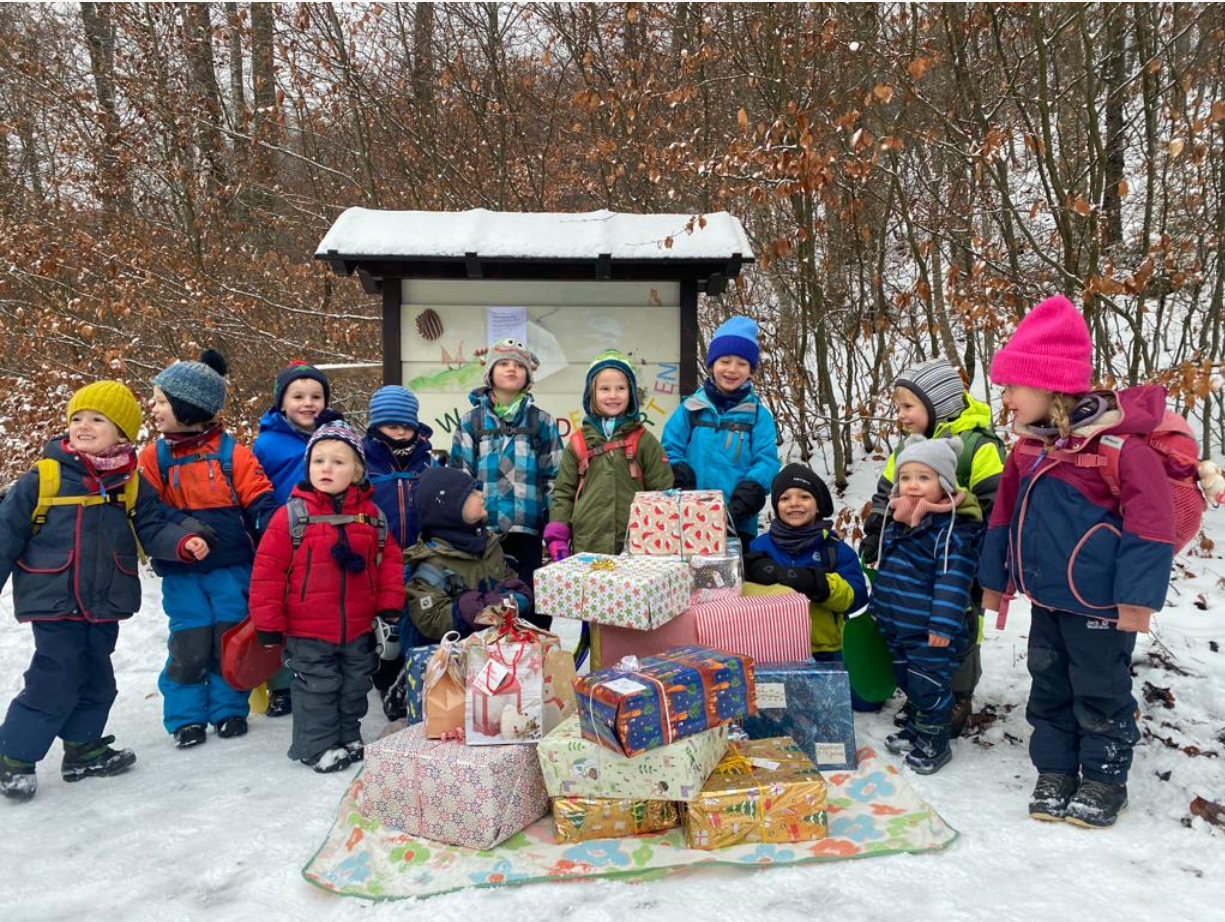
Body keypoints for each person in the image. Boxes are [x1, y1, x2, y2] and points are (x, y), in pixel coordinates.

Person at [978, 294, 1176, 828]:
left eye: (1014, 387)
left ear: (1050, 385)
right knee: (1049, 683)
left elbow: (1151, 527)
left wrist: (1136, 602)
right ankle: (1057, 770)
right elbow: (1003, 517)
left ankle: (1105, 777)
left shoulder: (1119, 448)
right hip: (1048, 597)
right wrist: (994, 582)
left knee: (1101, 687)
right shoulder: (1027, 449)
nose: (1008, 399)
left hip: (1101, 603)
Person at [0, 381, 210, 801]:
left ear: (122, 434)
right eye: (77, 418)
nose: (84, 425)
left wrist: (184, 540)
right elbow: (6, 532)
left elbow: (152, 522)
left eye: (98, 419)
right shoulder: (45, 476)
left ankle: (82, 749)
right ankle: (14, 757)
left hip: (104, 600)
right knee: (56, 677)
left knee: (99, 679)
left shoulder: (128, 480)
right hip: (53, 596)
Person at [248, 414, 405, 773]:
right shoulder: (291, 516)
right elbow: (267, 572)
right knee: (317, 687)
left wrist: (389, 607)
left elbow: (390, 565)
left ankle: (347, 736)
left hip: (358, 626)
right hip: (307, 628)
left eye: (338, 461)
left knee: (353, 684)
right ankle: (315, 746)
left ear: (358, 470)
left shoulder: (372, 518)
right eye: (318, 460)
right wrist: (268, 622)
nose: (327, 468)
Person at [140, 350, 278, 748]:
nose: (155, 407)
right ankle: (186, 717)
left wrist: (274, 537)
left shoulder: (233, 454)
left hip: (231, 569)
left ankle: (228, 708)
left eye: (162, 401)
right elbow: (147, 512)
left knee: (229, 638)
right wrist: (180, 537)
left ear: (188, 407)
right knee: (189, 643)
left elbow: (261, 501)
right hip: (182, 572)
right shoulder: (155, 458)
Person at [860, 359, 1006, 731]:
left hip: (957, 561)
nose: (901, 415)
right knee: (916, 629)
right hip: (912, 560)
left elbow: (995, 502)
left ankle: (958, 697)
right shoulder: (910, 447)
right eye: (898, 407)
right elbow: (886, 492)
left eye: (908, 406)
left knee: (958, 629)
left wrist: (979, 560)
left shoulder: (978, 445)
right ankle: (924, 696)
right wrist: (877, 530)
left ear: (937, 404)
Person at [870, 435, 985, 776]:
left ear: (944, 484)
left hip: (930, 632)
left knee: (929, 686)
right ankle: (918, 728)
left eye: (924, 477)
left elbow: (953, 582)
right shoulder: (898, 522)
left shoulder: (950, 532)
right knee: (907, 679)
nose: (913, 486)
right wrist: (879, 608)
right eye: (905, 478)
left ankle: (935, 741)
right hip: (899, 626)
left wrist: (942, 626)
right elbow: (887, 571)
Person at [449, 339, 561, 623]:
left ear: (528, 377)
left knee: (530, 603)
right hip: (483, 533)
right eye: (503, 363)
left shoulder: (542, 422)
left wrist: (553, 522)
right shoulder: (471, 422)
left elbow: (555, 475)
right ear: (490, 373)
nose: (511, 369)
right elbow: (461, 477)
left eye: (518, 365)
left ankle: (535, 657)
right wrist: (466, 522)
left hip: (528, 530)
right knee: (486, 603)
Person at [252, 359, 332, 717]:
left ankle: (321, 675)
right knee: (285, 610)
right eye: (298, 395)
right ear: (281, 402)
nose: (308, 403)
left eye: (316, 396)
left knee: (319, 608)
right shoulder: (267, 443)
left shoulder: (336, 435)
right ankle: (282, 685)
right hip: (284, 538)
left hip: (327, 536)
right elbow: (255, 489)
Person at [661, 316, 780, 549]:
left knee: (728, 585)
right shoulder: (690, 408)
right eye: (725, 361)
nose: (732, 370)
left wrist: (748, 495)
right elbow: (670, 445)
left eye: (742, 363)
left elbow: (766, 460)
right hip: (687, 518)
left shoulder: (759, 416)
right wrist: (678, 470)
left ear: (751, 370)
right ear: (712, 364)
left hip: (737, 523)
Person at [544, 350, 673, 560]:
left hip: (636, 546)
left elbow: (662, 490)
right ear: (591, 394)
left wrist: (662, 534)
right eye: (604, 389)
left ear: (630, 393)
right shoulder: (578, 443)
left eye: (620, 388)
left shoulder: (644, 440)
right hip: (588, 544)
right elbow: (564, 492)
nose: (613, 395)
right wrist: (558, 535)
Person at [361, 384, 436, 719]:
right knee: (382, 623)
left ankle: (410, 680)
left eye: (406, 426)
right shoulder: (364, 461)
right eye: (393, 426)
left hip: (419, 555)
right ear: (377, 426)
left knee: (414, 620)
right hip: (377, 555)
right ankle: (385, 680)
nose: (401, 432)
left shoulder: (426, 461)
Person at [744, 463, 868, 660]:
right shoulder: (759, 547)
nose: (794, 503)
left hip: (826, 649)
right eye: (785, 498)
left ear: (818, 505)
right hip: (771, 647)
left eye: (804, 496)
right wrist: (754, 573)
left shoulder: (835, 550)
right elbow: (740, 598)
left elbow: (857, 598)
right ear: (776, 506)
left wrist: (821, 585)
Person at [401, 466, 532, 647]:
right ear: (449, 507)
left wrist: (517, 595)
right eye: (472, 492)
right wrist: (473, 608)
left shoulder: (489, 544)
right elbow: (429, 619)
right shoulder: (433, 562)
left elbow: (509, 578)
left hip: (498, 649)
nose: (481, 495)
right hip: (457, 659)